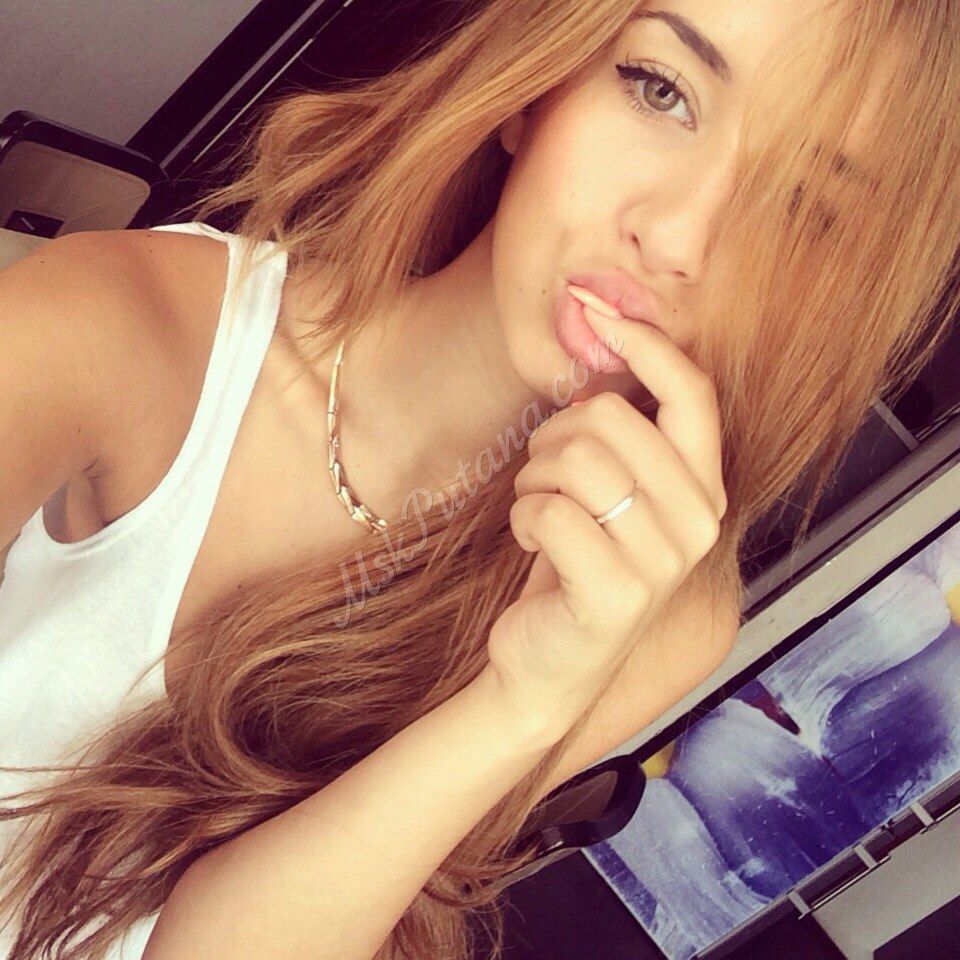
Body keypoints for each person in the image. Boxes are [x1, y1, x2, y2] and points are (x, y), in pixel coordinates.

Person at [0, 0, 958, 958]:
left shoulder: (654, 612)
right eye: (661, 91)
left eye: (799, 207)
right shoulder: (118, 328)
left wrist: (521, 701)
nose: (678, 241)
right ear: (536, 85)